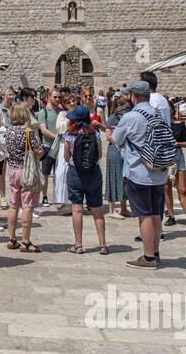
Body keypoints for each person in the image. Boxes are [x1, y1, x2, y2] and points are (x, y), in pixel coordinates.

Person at [110, 81, 168, 268]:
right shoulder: (158, 114)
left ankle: (148, 257)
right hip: (159, 172)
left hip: (139, 172)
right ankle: (156, 252)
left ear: (134, 96)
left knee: (144, 215)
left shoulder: (131, 116)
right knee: (155, 213)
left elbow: (115, 139)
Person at [62, 105, 108, 254]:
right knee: (98, 210)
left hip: (76, 173)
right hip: (93, 173)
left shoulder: (70, 134)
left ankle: (78, 244)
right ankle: (102, 245)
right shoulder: (95, 133)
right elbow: (100, 154)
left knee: (77, 210)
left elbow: (66, 157)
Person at [3, 101, 43, 253]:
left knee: (14, 204)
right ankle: (25, 241)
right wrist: (41, 152)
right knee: (27, 206)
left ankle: (12, 238)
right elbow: (37, 152)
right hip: (27, 171)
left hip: (13, 170)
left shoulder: (9, 131)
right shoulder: (27, 132)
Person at [103, 94, 131, 218]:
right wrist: (120, 131)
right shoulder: (113, 118)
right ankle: (112, 209)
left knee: (124, 179)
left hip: (125, 150)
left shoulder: (129, 118)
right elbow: (108, 136)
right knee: (113, 177)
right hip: (115, 151)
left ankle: (124, 208)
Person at [35, 89, 64, 208]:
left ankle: (59, 196)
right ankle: (45, 196)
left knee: (60, 173)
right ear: (49, 97)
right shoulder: (43, 112)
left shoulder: (61, 112)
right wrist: (58, 137)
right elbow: (43, 130)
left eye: (59, 97)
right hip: (48, 146)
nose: (57, 99)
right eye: (55, 97)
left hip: (60, 147)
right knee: (45, 173)